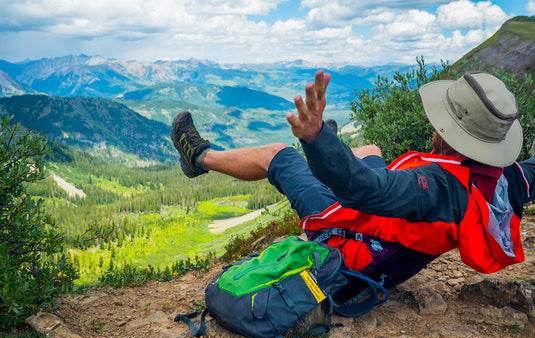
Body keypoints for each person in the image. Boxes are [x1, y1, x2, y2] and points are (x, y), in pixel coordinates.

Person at [171, 70, 534, 289]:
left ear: (448, 133)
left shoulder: (434, 190)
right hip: (392, 244)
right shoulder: (505, 181)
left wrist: (314, 139)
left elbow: (363, 190)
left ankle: (199, 157)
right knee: (370, 149)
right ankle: (334, 156)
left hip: (350, 246)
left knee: (278, 155)